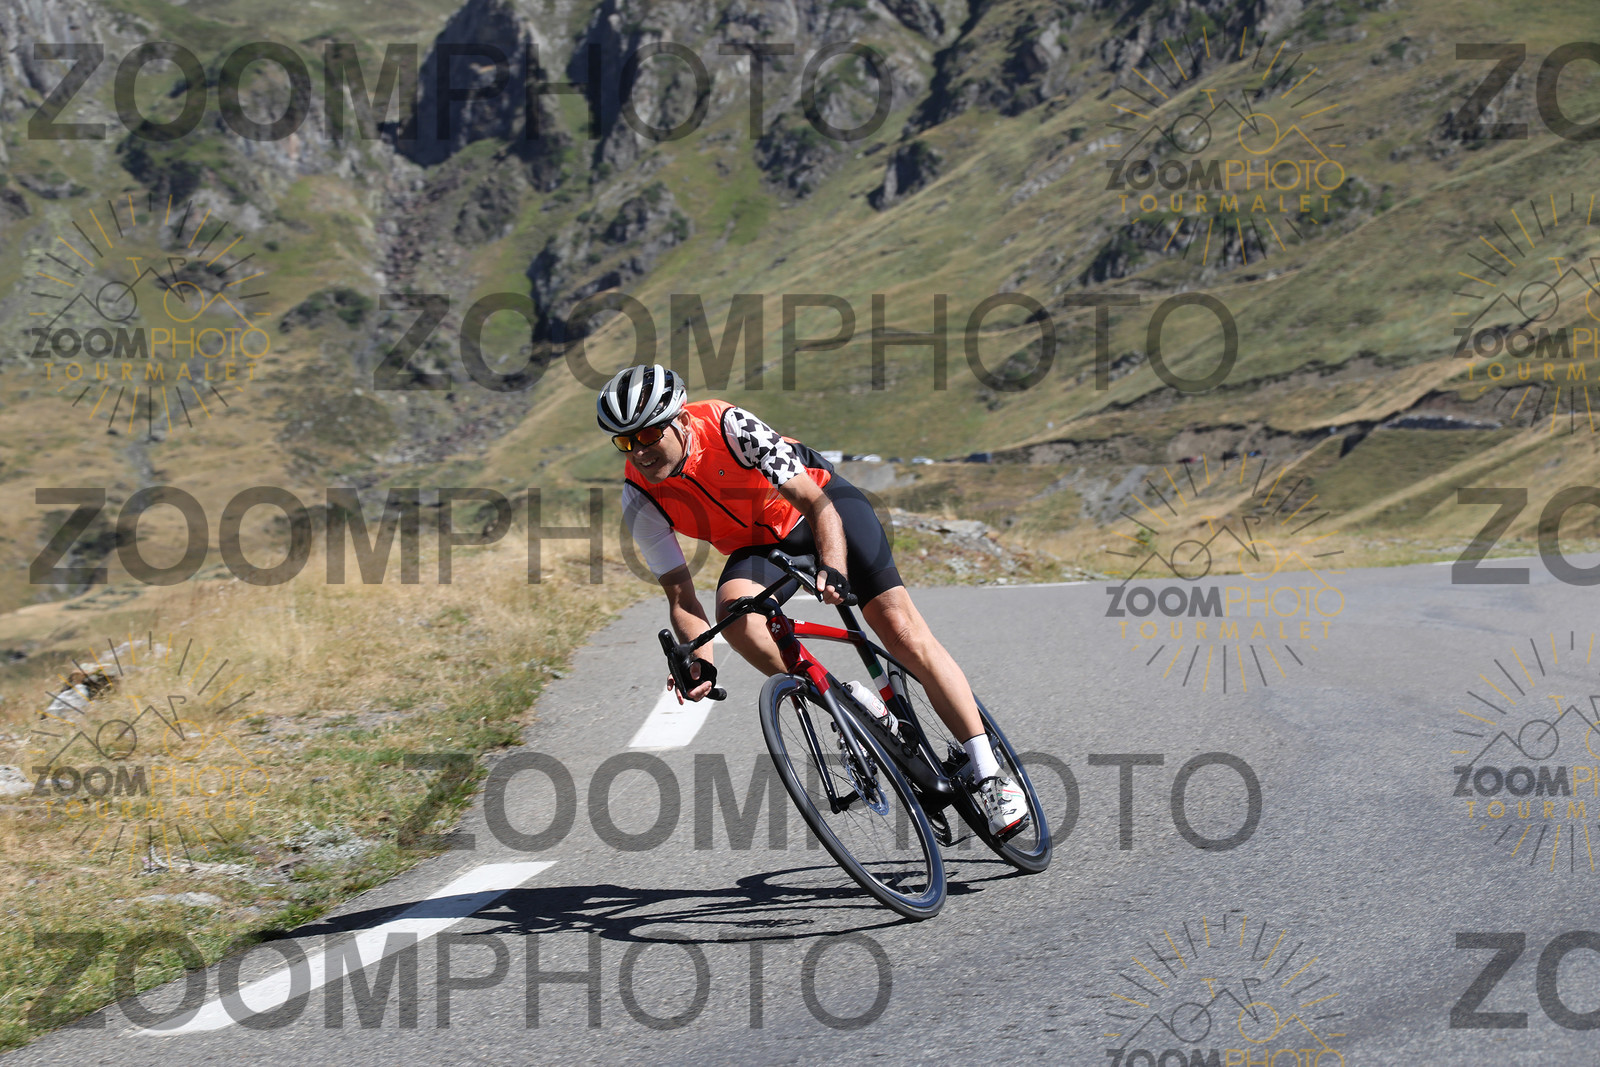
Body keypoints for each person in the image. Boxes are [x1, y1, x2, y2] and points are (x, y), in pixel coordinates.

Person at [601, 363, 1027, 835]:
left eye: (650, 434)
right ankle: (849, 706)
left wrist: (834, 567)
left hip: (822, 509)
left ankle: (990, 774)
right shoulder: (639, 497)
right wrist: (699, 659)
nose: (640, 451)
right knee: (736, 617)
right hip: (760, 547)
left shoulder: (729, 426)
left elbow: (816, 504)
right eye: (626, 442)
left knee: (901, 631)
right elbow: (681, 596)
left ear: (681, 420)